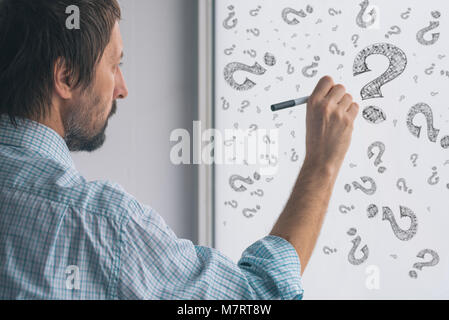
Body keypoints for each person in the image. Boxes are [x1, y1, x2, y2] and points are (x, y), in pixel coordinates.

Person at [0, 0, 359, 299]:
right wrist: (321, 163)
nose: (121, 88)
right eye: (114, 65)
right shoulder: (98, 224)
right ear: (65, 77)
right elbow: (257, 298)